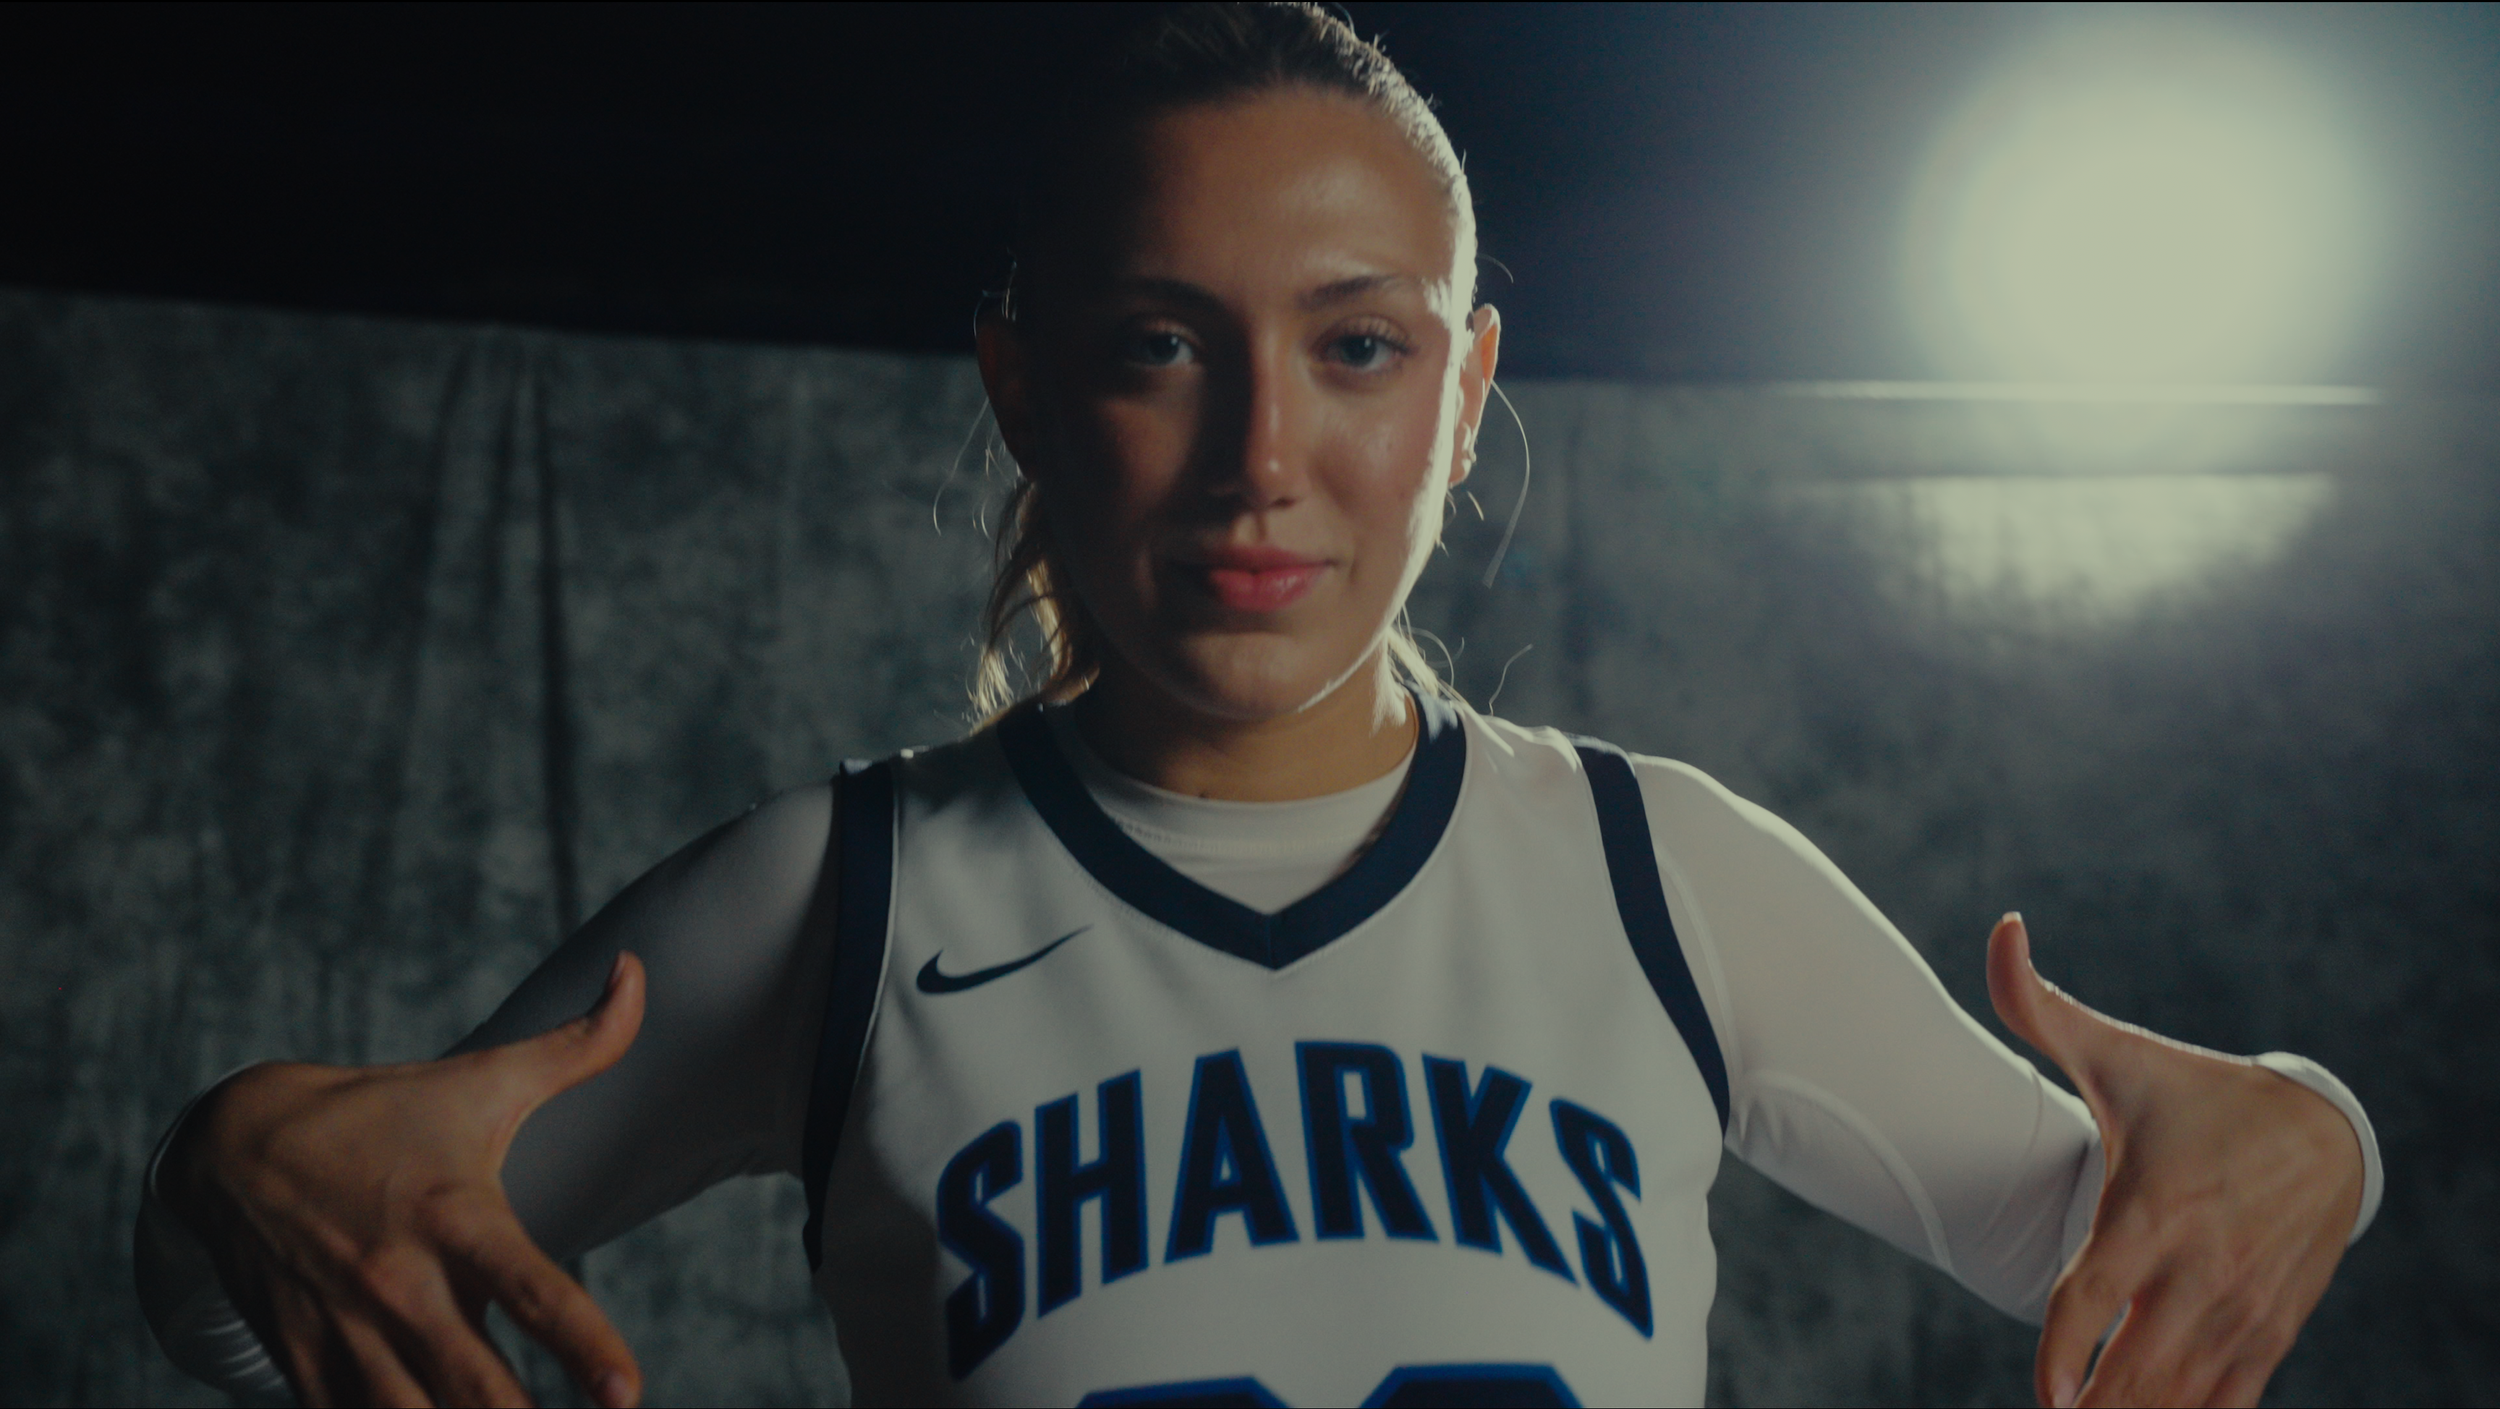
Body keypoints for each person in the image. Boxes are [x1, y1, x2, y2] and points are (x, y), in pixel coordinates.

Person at [133, 6, 2378, 1407]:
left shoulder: (1649, 870)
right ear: (1019, 378)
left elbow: (2127, 1235)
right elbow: (249, 1307)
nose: (1259, 457)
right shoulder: (842, 897)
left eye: (1357, 342)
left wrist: (2308, 1123)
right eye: (1154, 340)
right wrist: (238, 1147)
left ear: (1466, 381)